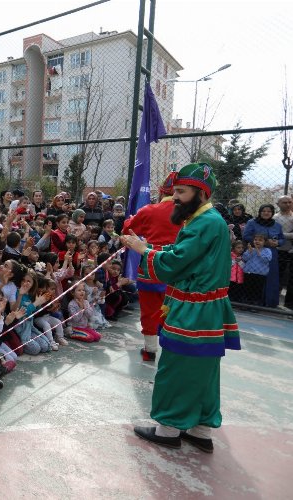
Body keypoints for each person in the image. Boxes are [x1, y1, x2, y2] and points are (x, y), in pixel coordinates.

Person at [121, 162, 240, 453]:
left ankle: (169, 428)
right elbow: (180, 254)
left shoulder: (203, 223)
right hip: (207, 308)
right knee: (202, 369)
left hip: (193, 309)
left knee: (175, 367)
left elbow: (173, 263)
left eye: (181, 192)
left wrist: (143, 250)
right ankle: (200, 429)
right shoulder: (208, 220)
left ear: (201, 192)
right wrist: (151, 248)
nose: (174, 198)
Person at [121, 172, 181, 361]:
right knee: (176, 311)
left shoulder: (149, 210)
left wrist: (133, 220)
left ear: (162, 192)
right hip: (177, 270)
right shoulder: (191, 215)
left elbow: (127, 229)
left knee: (149, 309)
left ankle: (150, 349)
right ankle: (173, 350)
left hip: (150, 268)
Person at [242, 204, 284, 308]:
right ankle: (250, 301)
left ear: (272, 213)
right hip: (255, 253)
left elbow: (282, 239)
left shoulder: (277, 225)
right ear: (260, 212)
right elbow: (246, 236)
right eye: (263, 211)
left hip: (271, 255)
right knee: (254, 278)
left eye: (269, 211)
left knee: (270, 277)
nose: (266, 213)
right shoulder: (252, 222)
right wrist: (262, 242)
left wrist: (277, 242)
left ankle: (268, 302)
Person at [273, 195, 293, 310]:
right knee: (277, 276)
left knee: (290, 278)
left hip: (291, 251)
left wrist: (282, 235)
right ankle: (274, 300)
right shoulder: (275, 218)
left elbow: (278, 235)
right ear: (278, 204)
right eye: (284, 202)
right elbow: (273, 235)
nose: (288, 204)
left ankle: (288, 304)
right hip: (278, 250)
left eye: (289, 202)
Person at [241, 234, 273, 306]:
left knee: (257, 290)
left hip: (260, 274)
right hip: (249, 272)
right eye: (255, 240)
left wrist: (258, 251)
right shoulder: (251, 249)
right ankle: (245, 303)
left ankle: (255, 304)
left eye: (260, 240)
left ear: (265, 242)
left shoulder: (267, 250)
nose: (257, 241)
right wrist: (249, 252)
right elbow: (244, 258)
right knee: (247, 288)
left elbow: (267, 259)